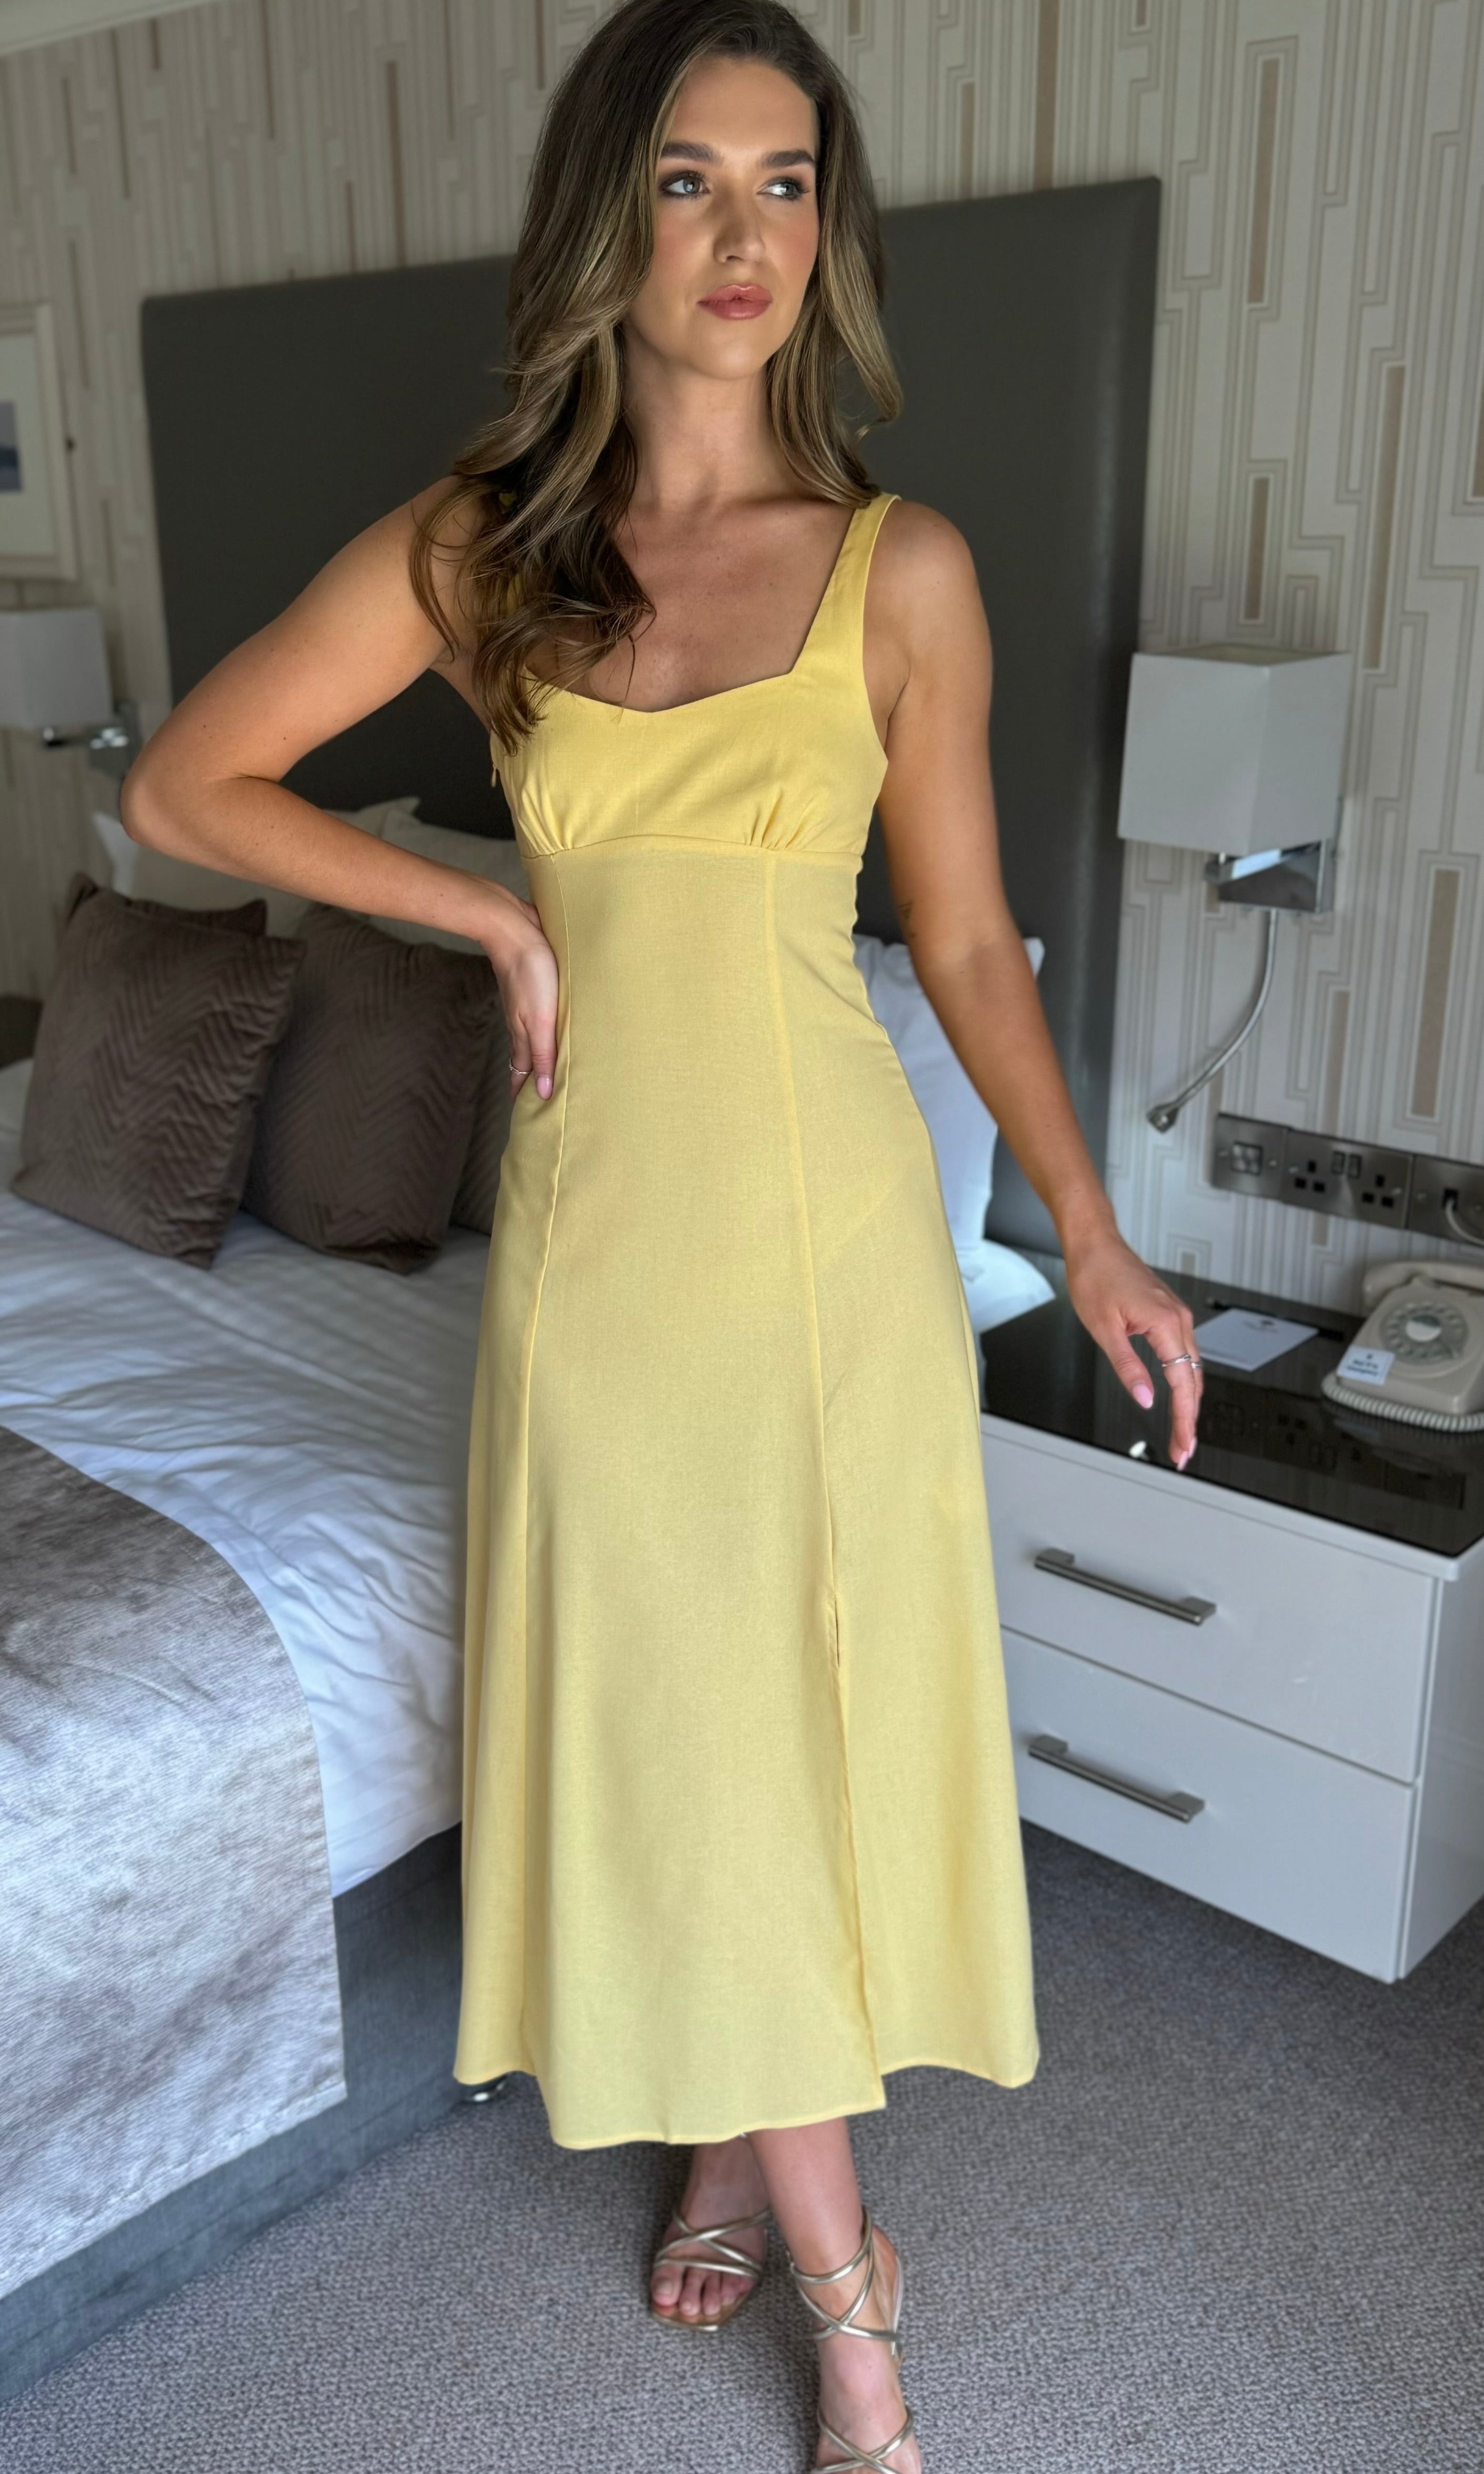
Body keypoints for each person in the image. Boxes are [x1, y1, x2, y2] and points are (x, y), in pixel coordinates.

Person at [121, 3, 1204, 2463]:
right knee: (681, 1725)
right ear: (611, 222)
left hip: (824, 1243)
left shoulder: (906, 568)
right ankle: (797, 2196)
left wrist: (1090, 1225)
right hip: (605, 1250)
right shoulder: (481, 545)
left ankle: (833, 2292)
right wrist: (479, 912)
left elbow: (964, 939)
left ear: (832, 229)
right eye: (692, 181)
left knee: (783, 1727)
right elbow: (190, 781)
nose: (744, 236)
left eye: (787, 181)